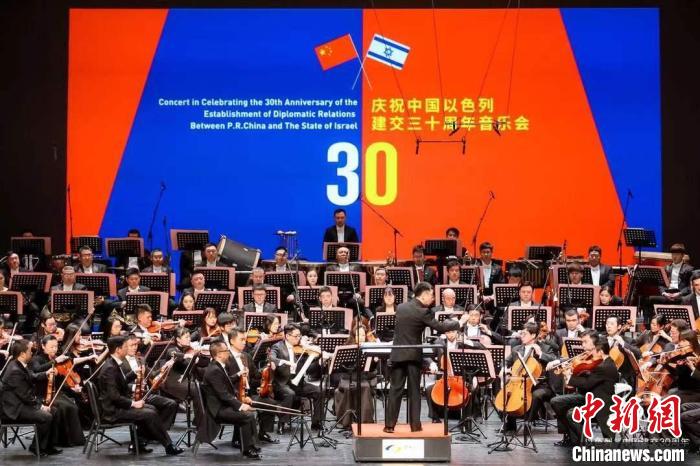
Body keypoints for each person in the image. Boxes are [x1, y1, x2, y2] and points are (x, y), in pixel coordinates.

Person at [384, 282, 469, 433]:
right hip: (413, 355)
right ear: (423, 295)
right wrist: (460, 322)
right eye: (431, 294)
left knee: (395, 390)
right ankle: (415, 426)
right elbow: (441, 327)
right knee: (414, 391)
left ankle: (389, 425)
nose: (432, 298)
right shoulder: (423, 312)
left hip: (397, 354)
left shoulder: (401, 307)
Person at [97, 335, 183, 455]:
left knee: (152, 408)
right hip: (112, 411)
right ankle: (168, 445)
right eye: (125, 347)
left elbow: (121, 382)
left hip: (117, 406)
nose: (127, 349)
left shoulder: (113, 364)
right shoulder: (110, 368)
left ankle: (139, 442)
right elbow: (114, 396)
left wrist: (134, 374)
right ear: (118, 350)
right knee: (150, 413)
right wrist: (133, 403)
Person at [550, 330, 617, 446]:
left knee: (570, 413)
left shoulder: (604, 366)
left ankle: (584, 440)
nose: (591, 354)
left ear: (600, 351)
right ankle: (572, 437)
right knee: (557, 402)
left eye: (593, 351)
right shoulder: (602, 362)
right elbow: (589, 380)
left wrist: (569, 377)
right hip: (589, 394)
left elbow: (587, 383)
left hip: (599, 400)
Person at [0, 339, 62, 456]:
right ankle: (36, 447)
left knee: (54, 410)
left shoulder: (19, 364)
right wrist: (41, 406)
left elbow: (32, 376)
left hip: (20, 403)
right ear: (22, 354)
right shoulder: (15, 370)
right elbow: (25, 396)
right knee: (46, 416)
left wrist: (46, 373)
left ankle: (47, 446)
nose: (32, 353)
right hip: (14, 409)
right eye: (29, 351)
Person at [201, 340, 260, 459]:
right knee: (247, 415)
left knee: (249, 414)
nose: (228, 353)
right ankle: (247, 449)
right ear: (219, 354)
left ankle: (251, 445)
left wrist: (239, 374)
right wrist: (241, 405)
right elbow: (223, 394)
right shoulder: (214, 370)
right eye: (226, 351)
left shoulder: (218, 366)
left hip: (223, 406)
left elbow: (226, 382)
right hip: (218, 410)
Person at [500, 322, 557, 432]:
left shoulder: (545, 348)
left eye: (524, 334)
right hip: (520, 383)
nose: (521, 336)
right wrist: (503, 368)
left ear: (533, 335)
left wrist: (541, 354)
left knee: (536, 395)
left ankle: (528, 422)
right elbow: (506, 361)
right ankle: (510, 424)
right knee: (506, 393)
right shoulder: (517, 349)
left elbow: (554, 360)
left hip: (541, 385)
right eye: (521, 333)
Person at [225, 328, 280, 443]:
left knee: (271, 403)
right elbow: (224, 381)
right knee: (244, 410)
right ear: (232, 341)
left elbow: (256, 375)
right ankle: (238, 438)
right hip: (233, 396)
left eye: (245, 339)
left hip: (247, 394)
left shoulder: (246, 356)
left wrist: (267, 368)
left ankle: (263, 433)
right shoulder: (226, 358)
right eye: (241, 340)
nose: (244, 342)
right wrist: (239, 375)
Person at [30, 335, 86, 447]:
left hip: (56, 392)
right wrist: (54, 361)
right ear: (43, 346)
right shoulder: (37, 359)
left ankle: (74, 439)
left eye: (56, 347)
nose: (54, 349)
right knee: (63, 407)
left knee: (73, 407)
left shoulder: (57, 359)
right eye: (51, 347)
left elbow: (60, 381)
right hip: (43, 394)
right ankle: (61, 440)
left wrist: (72, 388)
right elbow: (37, 370)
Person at [270, 323, 324, 432]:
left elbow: (315, 356)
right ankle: (282, 423)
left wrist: (310, 348)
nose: (298, 338)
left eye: (299, 335)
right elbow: (272, 358)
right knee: (289, 393)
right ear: (287, 336)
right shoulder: (277, 346)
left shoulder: (301, 347)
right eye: (296, 336)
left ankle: (316, 423)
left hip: (298, 382)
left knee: (318, 391)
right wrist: (285, 362)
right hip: (283, 383)